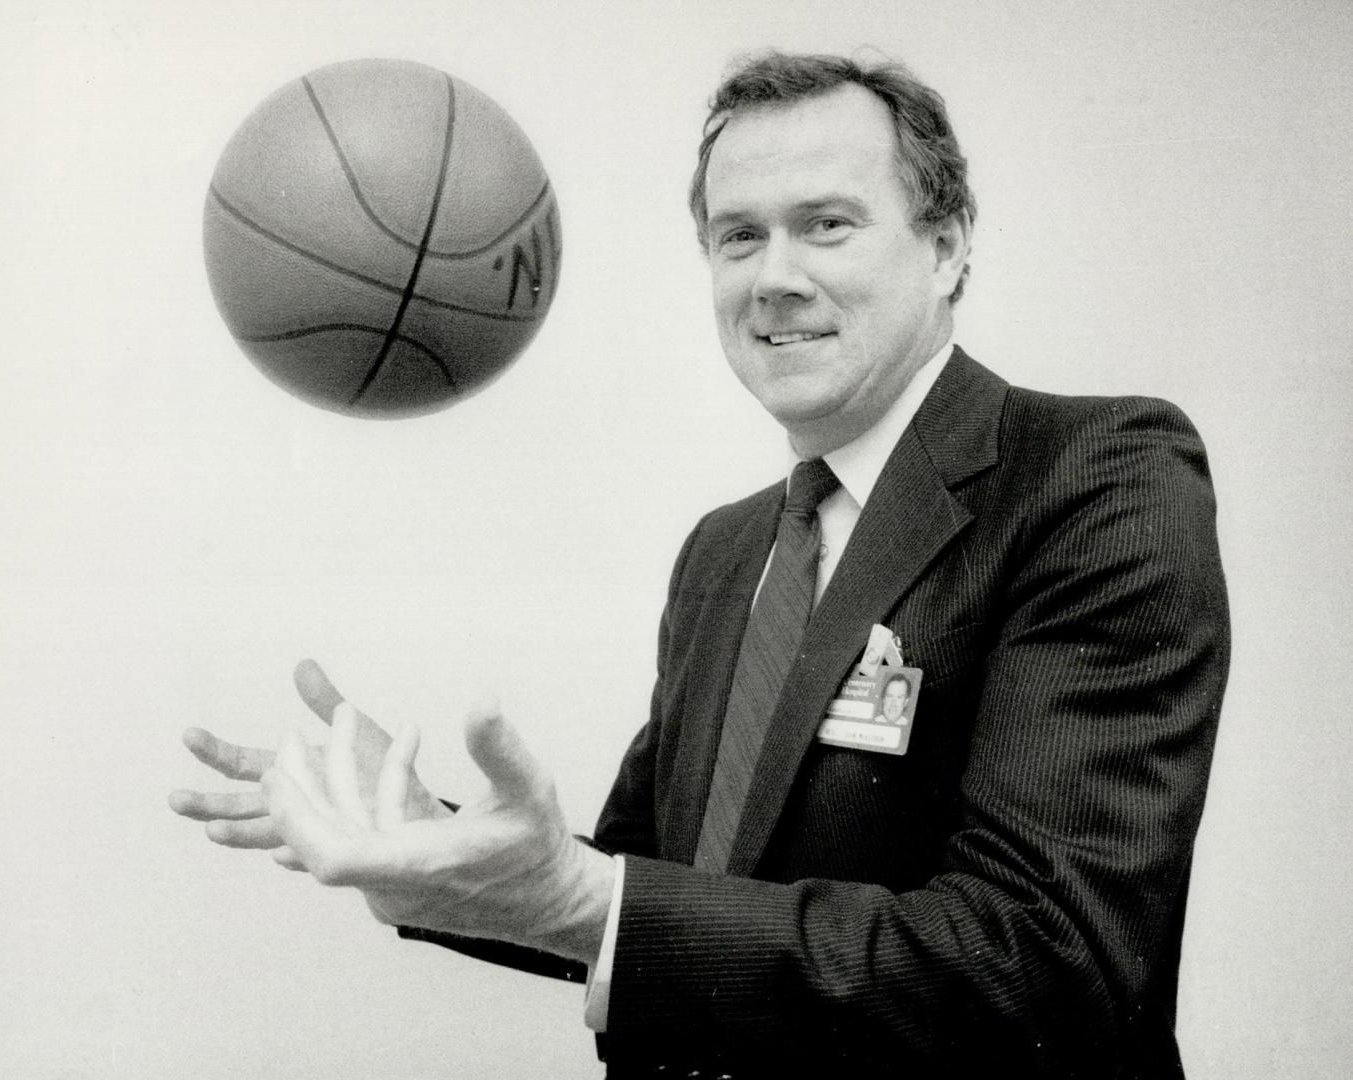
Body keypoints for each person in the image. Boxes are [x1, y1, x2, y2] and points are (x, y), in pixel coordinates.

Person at [171, 51, 1229, 1079]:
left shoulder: (1095, 476)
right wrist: (431, 847)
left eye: (826, 225)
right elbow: (652, 891)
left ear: (947, 246)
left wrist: (587, 900)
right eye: (737, 237)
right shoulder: (726, 550)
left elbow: (1048, 961)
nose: (773, 278)